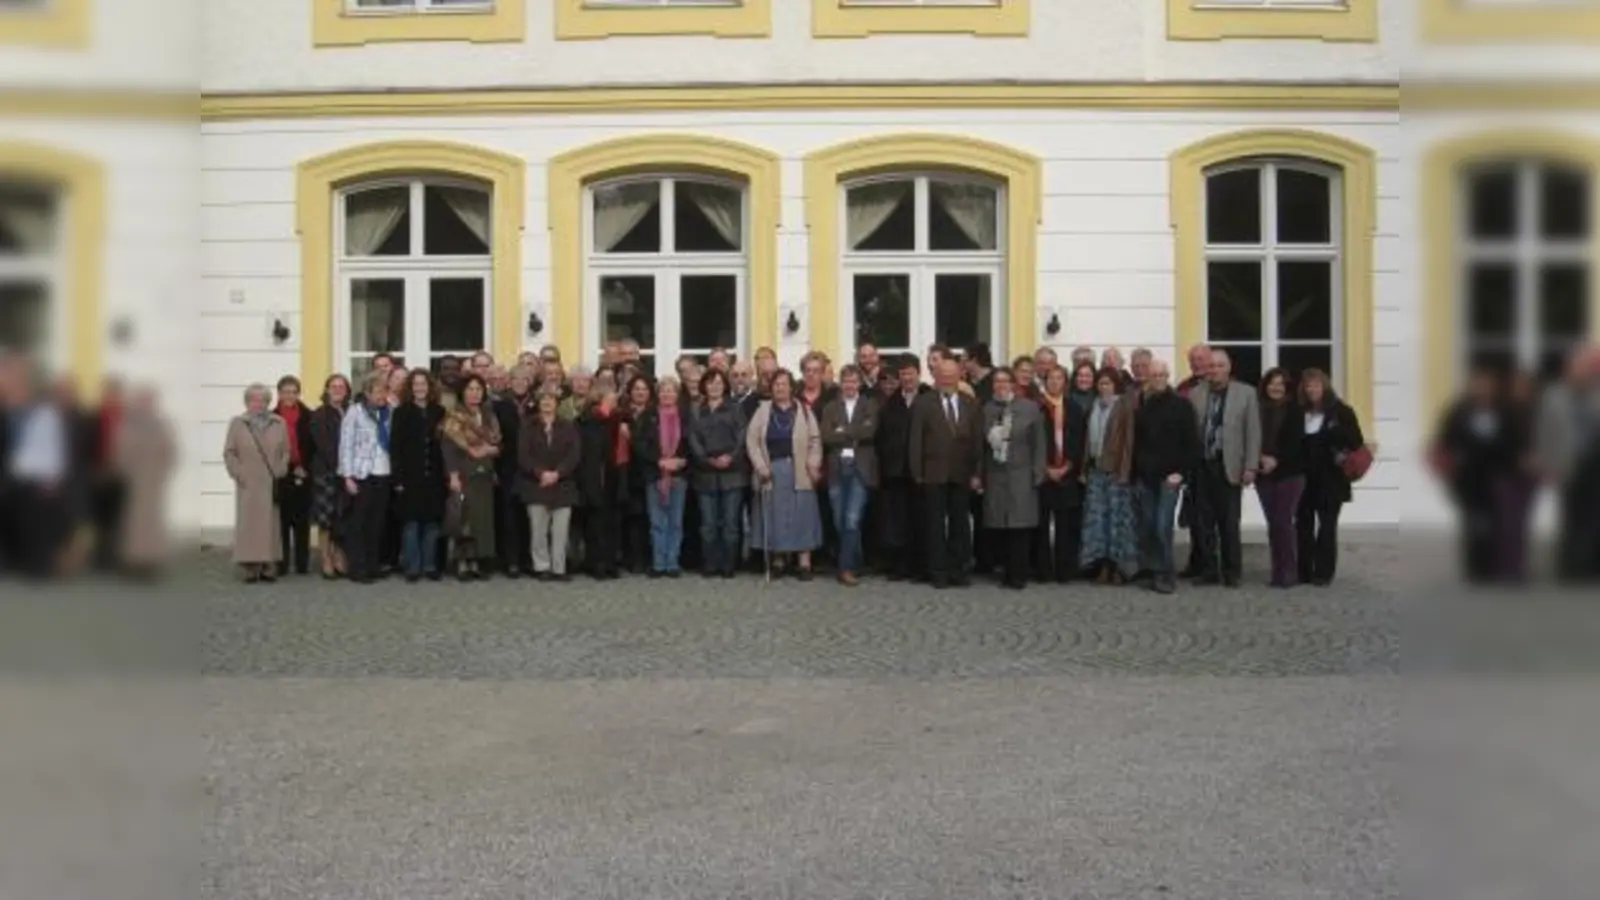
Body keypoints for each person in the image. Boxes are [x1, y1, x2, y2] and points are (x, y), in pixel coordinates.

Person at [1186, 348, 1261, 588]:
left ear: (1229, 368)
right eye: (1211, 366)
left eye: (1220, 365)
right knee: (1203, 521)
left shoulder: (1246, 393)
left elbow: (1253, 432)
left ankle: (1232, 571)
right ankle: (1209, 569)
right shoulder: (1196, 393)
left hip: (1229, 465)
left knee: (1229, 522)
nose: (1215, 370)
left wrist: (1251, 466)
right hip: (1202, 465)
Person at [909, 358, 984, 589]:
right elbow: (915, 440)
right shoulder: (924, 403)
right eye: (943, 375)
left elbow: (977, 442)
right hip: (933, 474)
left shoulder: (970, 403)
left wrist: (977, 472)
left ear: (959, 376)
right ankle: (938, 571)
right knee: (935, 526)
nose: (948, 379)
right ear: (936, 377)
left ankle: (959, 570)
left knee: (960, 525)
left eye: (952, 375)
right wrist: (917, 473)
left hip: (962, 474)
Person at [746, 369, 824, 579]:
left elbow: (815, 440)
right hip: (772, 470)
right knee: (776, 514)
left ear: (791, 387)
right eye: (776, 384)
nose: (780, 388)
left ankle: (804, 562)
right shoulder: (763, 411)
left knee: (803, 514)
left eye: (784, 384)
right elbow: (752, 440)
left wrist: (813, 463)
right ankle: (779, 559)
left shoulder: (804, 411)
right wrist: (760, 466)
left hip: (800, 469)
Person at [1133, 360, 1201, 594]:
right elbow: (1138, 443)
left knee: (1163, 525)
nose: (1158, 378)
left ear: (1168, 376)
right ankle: (1153, 570)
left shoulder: (1182, 406)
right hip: (1146, 477)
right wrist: (1136, 474)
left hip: (1169, 477)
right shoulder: (1145, 406)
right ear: (1149, 378)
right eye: (1154, 375)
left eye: (1162, 374)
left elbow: (1192, 444)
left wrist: (1181, 472)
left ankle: (1165, 574)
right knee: (1149, 526)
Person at [1535, 347, 1600, 583]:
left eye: (1587, 369)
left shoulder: (1596, 394)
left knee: (1595, 517)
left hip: (1595, 465)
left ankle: (1593, 566)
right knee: (1570, 517)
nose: (1584, 373)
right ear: (1568, 370)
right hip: (1567, 463)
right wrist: (1547, 465)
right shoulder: (1553, 396)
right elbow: (1545, 433)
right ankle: (1571, 568)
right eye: (1579, 368)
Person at [1297, 368, 1365, 587]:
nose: (1311, 390)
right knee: (1302, 525)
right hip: (1303, 478)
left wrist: (1335, 431)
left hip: (1331, 478)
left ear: (1324, 386)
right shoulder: (1299, 412)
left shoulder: (1341, 411)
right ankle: (1303, 570)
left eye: (1315, 385)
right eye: (1307, 386)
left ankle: (1323, 572)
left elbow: (1356, 441)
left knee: (1327, 526)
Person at [979, 368, 1047, 589]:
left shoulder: (1029, 408)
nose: (1001, 386)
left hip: (1021, 474)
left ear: (1013, 384)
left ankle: (1019, 574)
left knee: (1020, 526)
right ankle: (1004, 571)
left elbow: (1039, 444)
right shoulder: (987, 410)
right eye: (997, 382)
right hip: (996, 474)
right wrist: (979, 474)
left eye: (1005, 381)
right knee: (1000, 525)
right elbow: (980, 447)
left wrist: (1038, 472)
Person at [223, 383, 290, 583]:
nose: (258, 404)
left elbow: (286, 451)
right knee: (249, 525)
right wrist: (238, 473)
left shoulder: (279, 422)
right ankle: (250, 567)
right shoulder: (238, 423)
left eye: (262, 400)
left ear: (268, 402)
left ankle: (269, 566)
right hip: (248, 482)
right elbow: (229, 452)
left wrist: (281, 469)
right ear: (247, 402)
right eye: (253, 399)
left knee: (270, 525)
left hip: (270, 481)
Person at [1079, 367, 1140, 585]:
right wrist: (1084, 469)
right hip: (1096, 471)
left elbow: (1128, 441)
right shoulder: (1094, 405)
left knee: (1117, 523)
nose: (1104, 387)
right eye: (1101, 383)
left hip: (1116, 472)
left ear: (1116, 385)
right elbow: (1088, 440)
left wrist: (1124, 472)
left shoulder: (1124, 406)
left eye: (1108, 383)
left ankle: (1119, 567)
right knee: (1098, 522)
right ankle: (1101, 564)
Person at [820, 365, 879, 586]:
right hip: (836, 468)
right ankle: (856, 559)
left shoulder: (869, 405)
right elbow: (826, 435)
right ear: (840, 383)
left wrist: (842, 431)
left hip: (860, 468)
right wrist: (852, 434)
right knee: (839, 520)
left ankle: (845, 569)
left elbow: (870, 430)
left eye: (854, 381)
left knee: (852, 518)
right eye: (846, 381)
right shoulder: (830, 408)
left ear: (860, 384)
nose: (850, 385)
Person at [440, 374, 502, 581]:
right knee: (464, 519)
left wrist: (489, 450)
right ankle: (462, 562)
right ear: (462, 392)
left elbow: (499, 444)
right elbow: (448, 448)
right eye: (470, 389)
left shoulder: (488, 415)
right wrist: (453, 476)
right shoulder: (454, 417)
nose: (474, 393)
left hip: (484, 473)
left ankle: (478, 560)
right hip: (464, 472)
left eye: (478, 389)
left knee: (482, 520)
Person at [688, 368, 749, 579]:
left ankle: (728, 565)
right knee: (708, 524)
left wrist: (730, 458)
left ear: (725, 386)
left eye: (718, 382)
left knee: (731, 523)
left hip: (733, 474)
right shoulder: (696, 410)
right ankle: (710, 564)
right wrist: (707, 459)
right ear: (704, 385)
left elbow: (742, 437)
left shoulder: (735, 408)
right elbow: (693, 439)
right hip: (705, 474)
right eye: (710, 382)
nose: (714, 386)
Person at [875, 354, 930, 581]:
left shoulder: (929, 398)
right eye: (903, 374)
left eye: (910, 373)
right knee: (897, 521)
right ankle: (899, 566)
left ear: (918, 373)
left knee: (921, 520)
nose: (906, 378)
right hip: (896, 472)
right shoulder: (892, 402)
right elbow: (883, 436)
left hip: (922, 471)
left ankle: (920, 566)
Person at [390, 369, 447, 583]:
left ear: (430, 387)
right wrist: (398, 478)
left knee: (432, 523)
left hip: (434, 475)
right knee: (411, 523)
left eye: (423, 384)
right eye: (416, 384)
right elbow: (395, 447)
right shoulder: (401, 412)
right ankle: (412, 566)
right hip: (409, 475)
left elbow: (445, 445)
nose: (420, 388)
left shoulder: (439, 412)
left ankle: (430, 564)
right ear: (410, 388)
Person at [113, 385, 175, 579]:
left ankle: (151, 562)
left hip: (153, 480)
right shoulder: (127, 424)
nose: (145, 404)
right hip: (133, 480)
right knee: (132, 522)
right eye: (142, 400)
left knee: (152, 522)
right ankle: (133, 562)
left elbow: (170, 451)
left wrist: (161, 473)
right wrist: (126, 472)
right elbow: (120, 452)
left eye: (148, 401)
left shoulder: (161, 425)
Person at [338, 372, 394, 584]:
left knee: (377, 523)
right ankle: (357, 568)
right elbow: (346, 445)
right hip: (362, 473)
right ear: (367, 393)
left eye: (384, 390)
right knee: (359, 523)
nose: (382, 395)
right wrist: (347, 476)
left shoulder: (389, 412)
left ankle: (373, 565)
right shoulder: (356, 412)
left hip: (384, 472)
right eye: (378, 391)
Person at [519, 388, 581, 580]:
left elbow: (574, 454)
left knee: (561, 530)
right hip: (536, 484)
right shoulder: (527, 426)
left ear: (557, 403)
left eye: (551, 399)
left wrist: (558, 473)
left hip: (563, 485)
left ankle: (559, 567)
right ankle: (541, 566)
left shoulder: (568, 426)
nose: (547, 402)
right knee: (538, 529)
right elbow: (523, 456)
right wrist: (540, 473)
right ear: (537, 403)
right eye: (543, 399)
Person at [1034, 364, 1088, 583]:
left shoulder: (1074, 408)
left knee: (1066, 525)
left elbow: (1080, 440)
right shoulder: (1037, 407)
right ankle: (1043, 570)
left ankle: (1065, 570)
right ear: (1045, 381)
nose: (1055, 382)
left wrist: (1067, 466)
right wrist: (1046, 468)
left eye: (1059, 378)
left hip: (1068, 473)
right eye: (1051, 378)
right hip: (1043, 473)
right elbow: (1033, 442)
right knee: (1041, 525)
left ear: (1065, 382)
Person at [1255, 368, 1306, 589]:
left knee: (1283, 521)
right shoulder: (1258, 409)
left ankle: (1289, 571)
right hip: (1263, 472)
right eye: (1272, 383)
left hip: (1290, 472)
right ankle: (1277, 570)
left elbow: (1297, 443)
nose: (1275, 388)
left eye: (1280, 384)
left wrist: (1276, 459)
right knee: (1272, 523)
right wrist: (1259, 458)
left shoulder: (1296, 410)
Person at [634, 377, 691, 578]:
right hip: (655, 475)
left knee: (676, 522)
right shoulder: (648, 416)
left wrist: (681, 461)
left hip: (679, 475)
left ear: (677, 394)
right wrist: (659, 460)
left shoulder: (686, 416)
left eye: (671, 391)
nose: (667, 394)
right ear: (658, 394)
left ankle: (672, 562)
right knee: (657, 522)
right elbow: (639, 445)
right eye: (663, 391)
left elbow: (692, 443)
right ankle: (658, 563)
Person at [578, 385, 629, 580]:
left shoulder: (620, 420)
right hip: (594, 476)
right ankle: (596, 562)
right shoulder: (586, 421)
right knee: (595, 522)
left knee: (613, 522)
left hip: (615, 475)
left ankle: (610, 561)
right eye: (611, 400)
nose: (615, 403)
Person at [272, 376, 316, 577]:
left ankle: (302, 564)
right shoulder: (271, 418)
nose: (289, 395)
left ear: (298, 394)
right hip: (281, 473)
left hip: (304, 472)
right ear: (279, 394)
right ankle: (281, 564)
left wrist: (305, 467)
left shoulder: (309, 416)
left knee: (302, 521)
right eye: (285, 392)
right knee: (281, 520)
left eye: (293, 391)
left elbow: (314, 446)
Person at [493, 367, 533, 578]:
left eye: (524, 379)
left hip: (532, 469)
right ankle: (511, 560)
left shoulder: (536, 405)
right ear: (509, 382)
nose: (520, 382)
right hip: (507, 467)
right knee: (508, 515)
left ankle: (528, 558)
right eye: (516, 378)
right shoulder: (500, 406)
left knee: (528, 515)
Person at [309, 373, 351, 579]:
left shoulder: (351, 411)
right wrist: (340, 467)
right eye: (333, 386)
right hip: (326, 472)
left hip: (347, 473)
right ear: (326, 390)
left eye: (341, 387)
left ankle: (338, 554)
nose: (337, 390)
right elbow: (324, 446)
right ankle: (326, 557)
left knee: (342, 516)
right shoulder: (319, 414)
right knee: (325, 519)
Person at [87, 376, 126, 573]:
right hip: (99, 473)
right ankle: (100, 557)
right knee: (100, 518)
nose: (111, 397)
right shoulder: (94, 417)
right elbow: (86, 445)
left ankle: (116, 556)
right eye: (108, 393)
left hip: (122, 474)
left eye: (115, 393)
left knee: (119, 517)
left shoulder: (126, 417)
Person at [620, 375, 654, 573]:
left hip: (648, 471)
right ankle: (630, 557)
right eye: (636, 389)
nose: (640, 392)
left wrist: (631, 438)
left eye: (644, 389)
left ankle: (645, 558)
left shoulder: (654, 414)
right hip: (626, 472)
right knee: (630, 517)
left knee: (646, 517)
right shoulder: (623, 415)